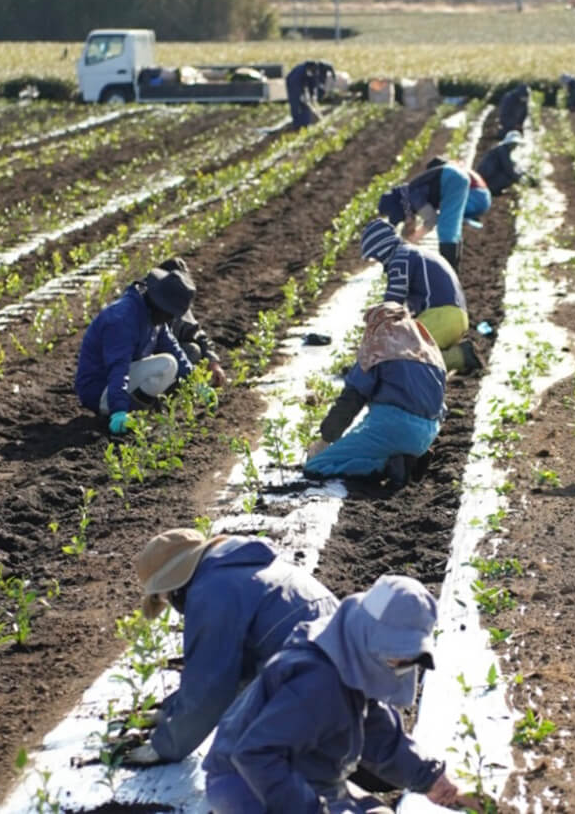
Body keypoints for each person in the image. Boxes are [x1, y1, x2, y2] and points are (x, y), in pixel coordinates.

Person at [202, 574, 475, 814]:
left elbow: (379, 736)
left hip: (305, 769)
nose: (400, 666)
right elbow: (256, 755)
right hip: (244, 782)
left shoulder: (349, 655)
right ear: (369, 634)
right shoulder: (317, 683)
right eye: (396, 656)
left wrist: (433, 780)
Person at [124, 529, 340, 765]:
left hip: (315, 680)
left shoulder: (211, 592)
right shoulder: (238, 568)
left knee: (240, 758)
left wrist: (166, 745)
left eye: (160, 596)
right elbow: (236, 669)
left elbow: (211, 683)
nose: (165, 603)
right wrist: (170, 711)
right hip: (340, 660)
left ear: (173, 583)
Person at [304, 302, 446, 488]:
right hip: (427, 433)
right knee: (369, 439)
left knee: (318, 466)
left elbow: (351, 400)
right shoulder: (430, 354)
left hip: (392, 425)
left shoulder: (379, 349)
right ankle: (410, 459)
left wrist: (325, 440)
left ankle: (389, 466)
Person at [74, 266, 196, 435]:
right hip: (99, 389)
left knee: (174, 361)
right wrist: (118, 409)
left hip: (114, 384)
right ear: (159, 305)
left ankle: (132, 410)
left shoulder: (150, 316)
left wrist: (197, 382)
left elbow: (172, 346)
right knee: (166, 365)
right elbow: (118, 366)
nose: (171, 319)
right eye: (170, 314)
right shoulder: (122, 319)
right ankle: (126, 413)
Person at [360, 219, 483, 375]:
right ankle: (454, 355)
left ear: (380, 249)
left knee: (398, 357)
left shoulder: (400, 259)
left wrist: (373, 342)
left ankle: (460, 356)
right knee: (402, 351)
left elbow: (391, 305)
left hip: (442, 317)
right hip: (453, 317)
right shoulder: (412, 252)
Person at [377, 160, 474, 269]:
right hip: (455, 176)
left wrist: (416, 236)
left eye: (403, 218)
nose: (405, 221)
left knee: (446, 228)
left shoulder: (413, 197)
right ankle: (454, 270)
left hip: (452, 179)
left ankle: (450, 269)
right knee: (452, 227)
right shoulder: (408, 195)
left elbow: (432, 219)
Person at [158, 257, 227, 387]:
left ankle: (175, 388)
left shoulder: (178, 303)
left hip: (168, 355)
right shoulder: (147, 304)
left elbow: (196, 333)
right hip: (143, 362)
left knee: (192, 350)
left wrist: (213, 363)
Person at [476, 130, 535, 197]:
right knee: (510, 177)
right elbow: (509, 170)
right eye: (514, 144)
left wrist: (524, 174)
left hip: (484, 179)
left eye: (516, 144)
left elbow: (510, 164)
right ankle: (493, 190)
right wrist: (524, 180)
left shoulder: (501, 150)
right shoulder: (502, 151)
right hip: (486, 181)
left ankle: (493, 189)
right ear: (509, 143)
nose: (515, 146)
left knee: (515, 170)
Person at [286, 60, 334, 130]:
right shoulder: (299, 72)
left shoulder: (314, 71)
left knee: (306, 106)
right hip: (292, 84)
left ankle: (306, 124)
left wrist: (313, 95)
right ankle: (297, 125)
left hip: (303, 84)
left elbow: (313, 84)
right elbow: (295, 85)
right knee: (296, 104)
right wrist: (300, 95)